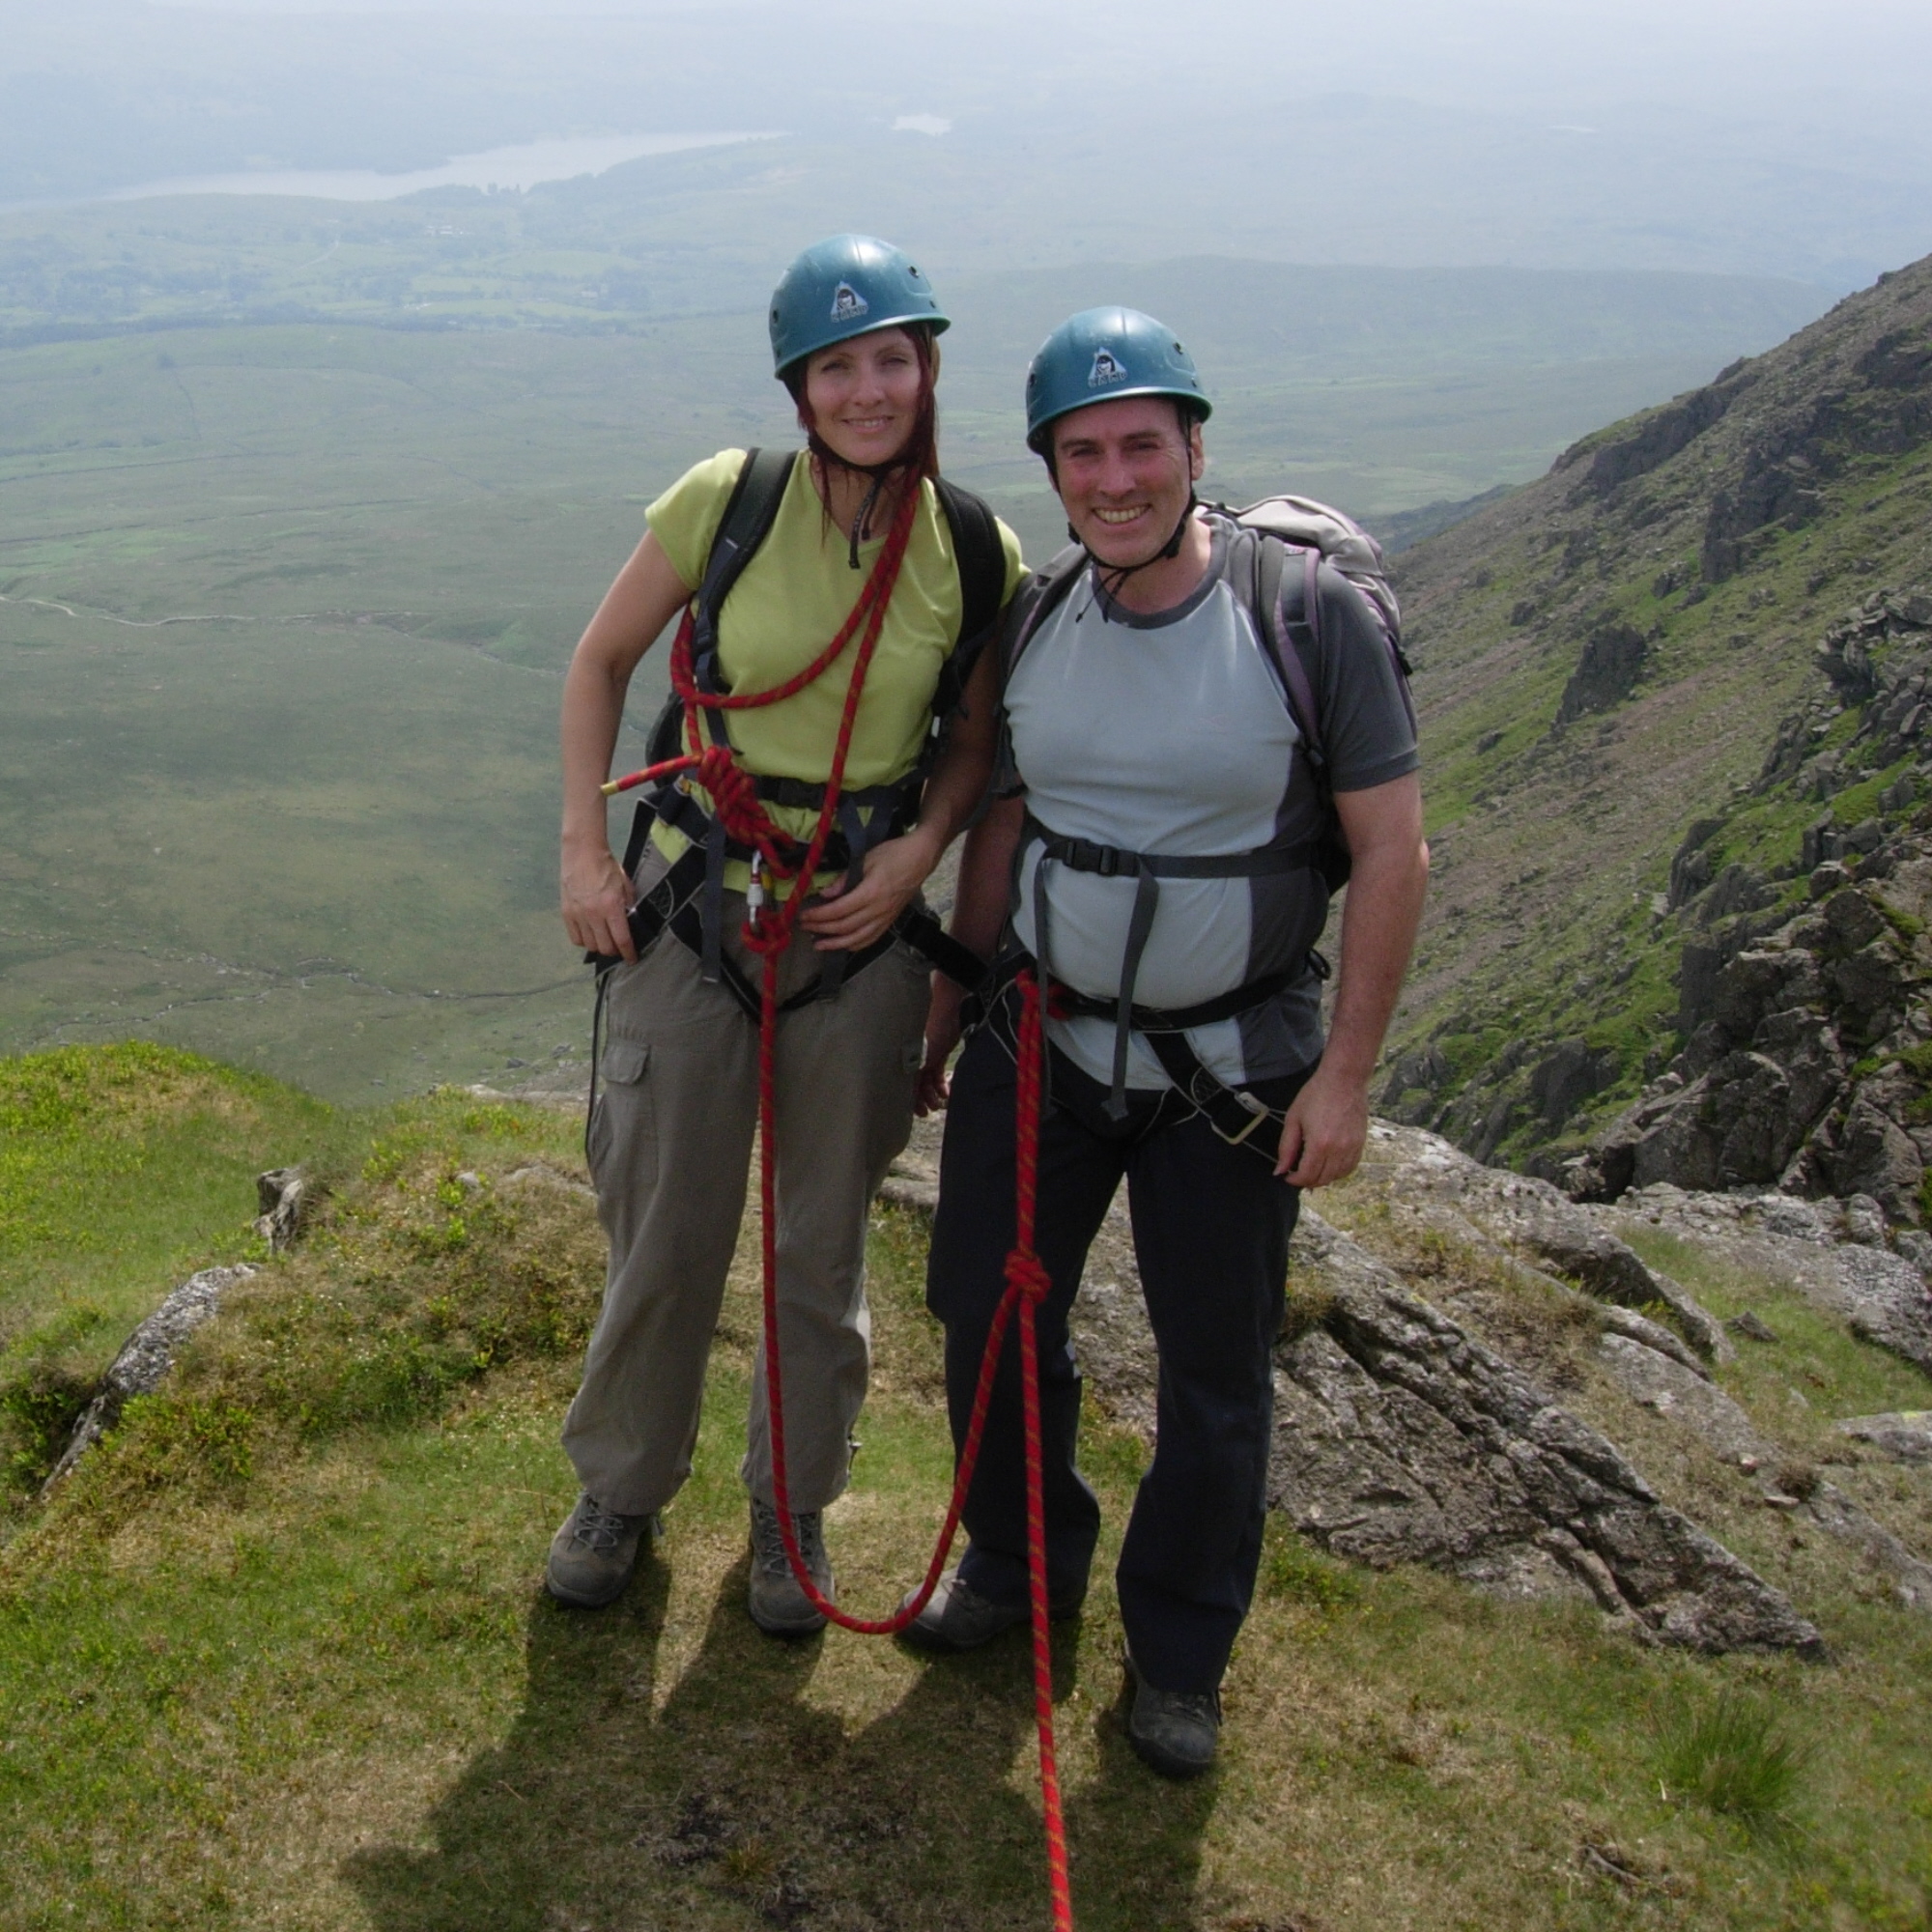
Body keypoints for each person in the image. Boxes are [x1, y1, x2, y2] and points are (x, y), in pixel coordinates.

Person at [904, 307, 1428, 1776]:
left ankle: (1181, 1653)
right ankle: (1017, 1569)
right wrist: (954, 1004)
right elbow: (1007, 819)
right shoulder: (1044, 618)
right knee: (988, 1309)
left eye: (1143, 444)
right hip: (1045, 1035)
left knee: (1214, 1372)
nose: (1115, 476)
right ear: (1053, 471)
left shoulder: (1302, 619)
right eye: (1084, 451)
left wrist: (1347, 1077)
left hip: (1234, 1069)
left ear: (1196, 448)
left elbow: (1394, 854)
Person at [548, 235, 1025, 1634]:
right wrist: (586, 852)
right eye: (839, 366)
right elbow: (600, 660)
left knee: (821, 1247)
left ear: (927, 369)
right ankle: (623, 1492)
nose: (870, 388)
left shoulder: (975, 548)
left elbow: (974, 746)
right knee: (665, 1229)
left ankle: (788, 1513)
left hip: (860, 933)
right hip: (697, 908)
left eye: (893, 358)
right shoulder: (727, 502)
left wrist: (922, 857)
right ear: (799, 387)